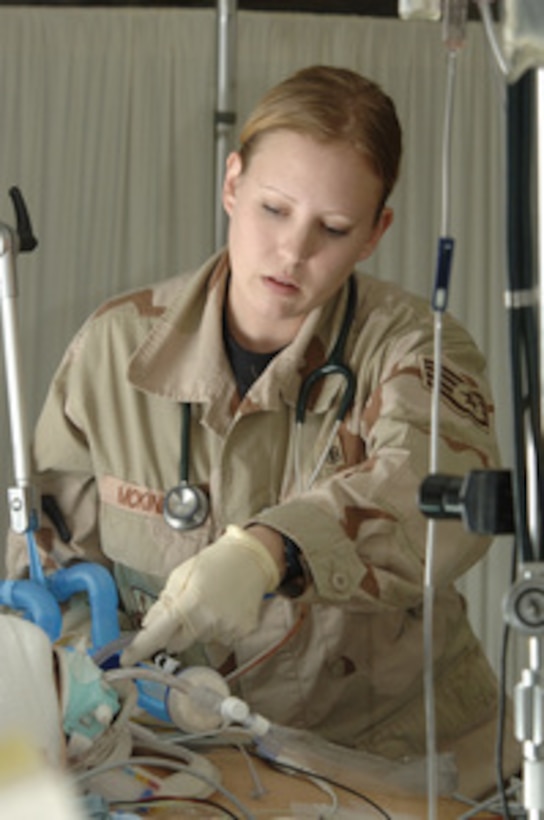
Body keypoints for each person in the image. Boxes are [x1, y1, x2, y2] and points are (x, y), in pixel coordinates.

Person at [6, 65, 519, 798]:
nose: (293, 251)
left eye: (333, 229)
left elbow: (431, 496)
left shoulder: (417, 350)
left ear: (376, 233)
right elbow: (48, 570)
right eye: (273, 209)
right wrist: (86, 684)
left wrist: (267, 552)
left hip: (409, 764)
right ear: (232, 183)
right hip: (189, 762)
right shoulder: (116, 352)